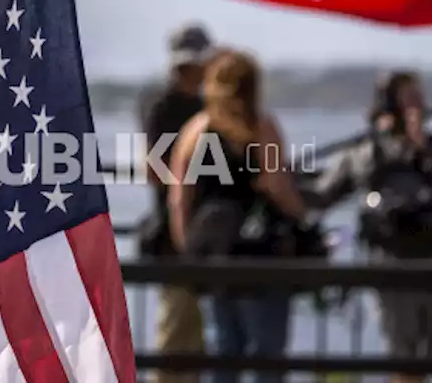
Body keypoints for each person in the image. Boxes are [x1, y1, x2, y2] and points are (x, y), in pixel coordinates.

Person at [168, 49, 312, 383]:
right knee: (267, 354)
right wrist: (304, 218)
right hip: (260, 255)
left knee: (223, 350)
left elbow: (179, 199)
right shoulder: (259, 126)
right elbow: (278, 185)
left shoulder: (194, 130)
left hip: (211, 255)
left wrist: (189, 249)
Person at [308, 71, 433, 383]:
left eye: (419, 97)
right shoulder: (366, 152)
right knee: (403, 354)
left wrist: (422, 149)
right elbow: (322, 195)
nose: (416, 105)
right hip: (392, 264)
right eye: (408, 98)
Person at [136, 23, 212, 383]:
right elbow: (155, 169)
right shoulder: (164, 106)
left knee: (193, 337)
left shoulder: (204, 106)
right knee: (176, 333)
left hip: (206, 235)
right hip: (176, 234)